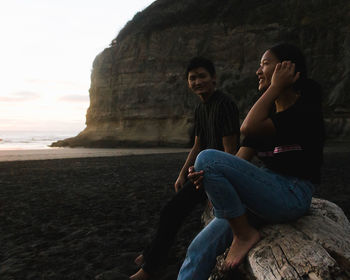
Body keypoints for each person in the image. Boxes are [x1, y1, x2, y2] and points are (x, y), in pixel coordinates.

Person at [177, 43, 325, 280]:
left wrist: (275, 86)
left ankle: (244, 233)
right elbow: (238, 160)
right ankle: (240, 232)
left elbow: (247, 127)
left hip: (293, 193)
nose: (258, 71)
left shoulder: (305, 109)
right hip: (265, 192)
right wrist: (206, 176)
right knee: (198, 248)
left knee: (207, 158)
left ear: (286, 68)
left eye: (265, 64)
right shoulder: (267, 113)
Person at [130, 57, 241, 279]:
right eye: (192, 78)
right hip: (202, 174)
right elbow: (198, 145)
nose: (197, 81)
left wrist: (221, 189)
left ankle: (150, 269)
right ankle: (152, 255)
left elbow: (232, 152)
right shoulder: (201, 109)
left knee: (172, 211)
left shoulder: (225, 104)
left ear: (214, 78)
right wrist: (182, 174)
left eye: (202, 76)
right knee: (171, 210)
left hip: (217, 175)